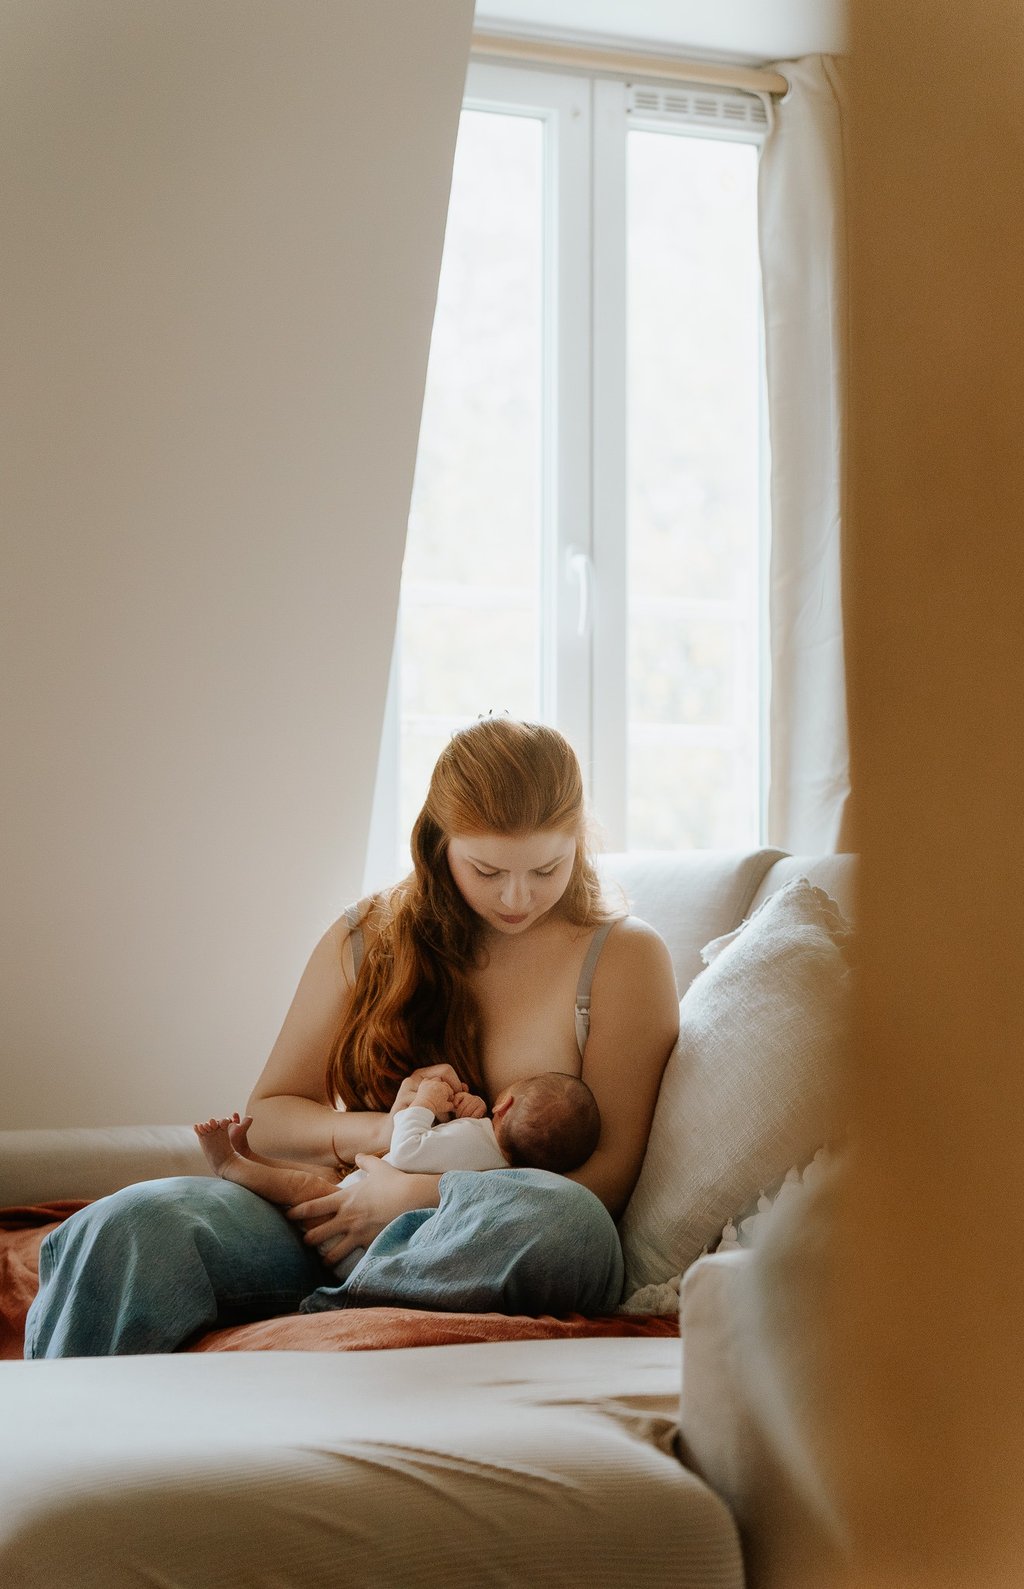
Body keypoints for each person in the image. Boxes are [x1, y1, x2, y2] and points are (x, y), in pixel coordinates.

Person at [26, 717, 679, 1356]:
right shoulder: (370, 935)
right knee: (133, 1221)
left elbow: (607, 1177)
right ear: (438, 842)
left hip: (485, 1235)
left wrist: (416, 1194)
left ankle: (324, 1315)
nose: (516, 897)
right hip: (334, 1218)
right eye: (486, 871)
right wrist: (388, 1135)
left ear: (579, 842)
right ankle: (58, 1426)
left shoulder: (624, 957)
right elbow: (270, 1118)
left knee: (574, 1225)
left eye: (546, 869)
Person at [193, 1068, 601, 1282]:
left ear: (504, 1104)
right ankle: (250, 1158)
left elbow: (407, 1148)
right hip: (376, 1239)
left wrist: (423, 1103)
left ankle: (231, 1165)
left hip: (354, 1240)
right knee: (316, 1184)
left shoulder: (474, 1140)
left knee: (307, 1187)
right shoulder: (506, 1168)